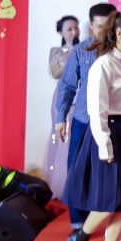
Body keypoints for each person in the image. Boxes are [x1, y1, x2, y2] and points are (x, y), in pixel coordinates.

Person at [63, 11, 121, 241]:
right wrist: (104, 145)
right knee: (111, 197)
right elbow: (97, 110)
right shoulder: (103, 64)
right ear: (120, 34)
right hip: (108, 132)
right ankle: (81, 237)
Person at [54, 2, 118, 232]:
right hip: (84, 120)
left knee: (111, 172)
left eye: (110, 26)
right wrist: (61, 118)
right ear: (91, 25)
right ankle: (78, 224)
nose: (105, 32)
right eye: (100, 27)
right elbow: (68, 86)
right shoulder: (81, 50)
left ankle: (107, 220)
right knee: (77, 171)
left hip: (114, 122)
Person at [44, 15, 79, 192]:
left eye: (76, 28)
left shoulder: (85, 48)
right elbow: (55, 73)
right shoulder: (56, 51)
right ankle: (58, 183)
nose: (74, 32)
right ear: (61, 32)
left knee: (76, 137)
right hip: (62, 97)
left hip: (80, 97)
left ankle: (73, 181)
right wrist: (72, 55)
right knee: (60, 135)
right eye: (69, 29)